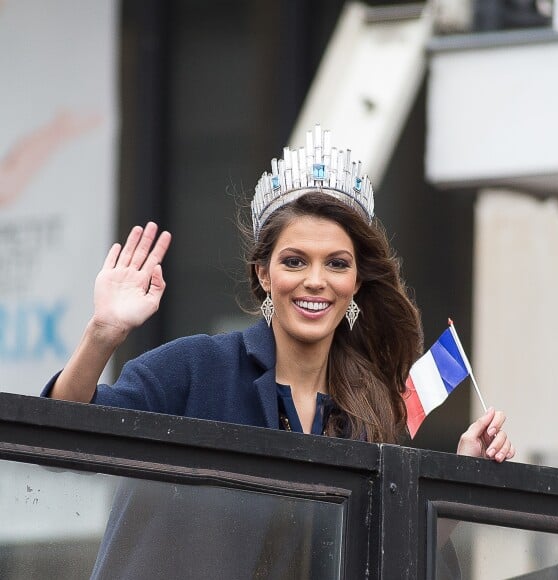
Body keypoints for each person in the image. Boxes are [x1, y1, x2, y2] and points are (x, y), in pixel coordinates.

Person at [43, 124, 514, 460]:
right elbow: (61, 433)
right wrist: (102, 333)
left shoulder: (370, 410)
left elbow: (389, 551)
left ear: (355, 284)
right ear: (264, 275)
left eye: (337, 263)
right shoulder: (196, 368)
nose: (315, 280)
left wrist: (463, 473)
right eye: (294, 261)